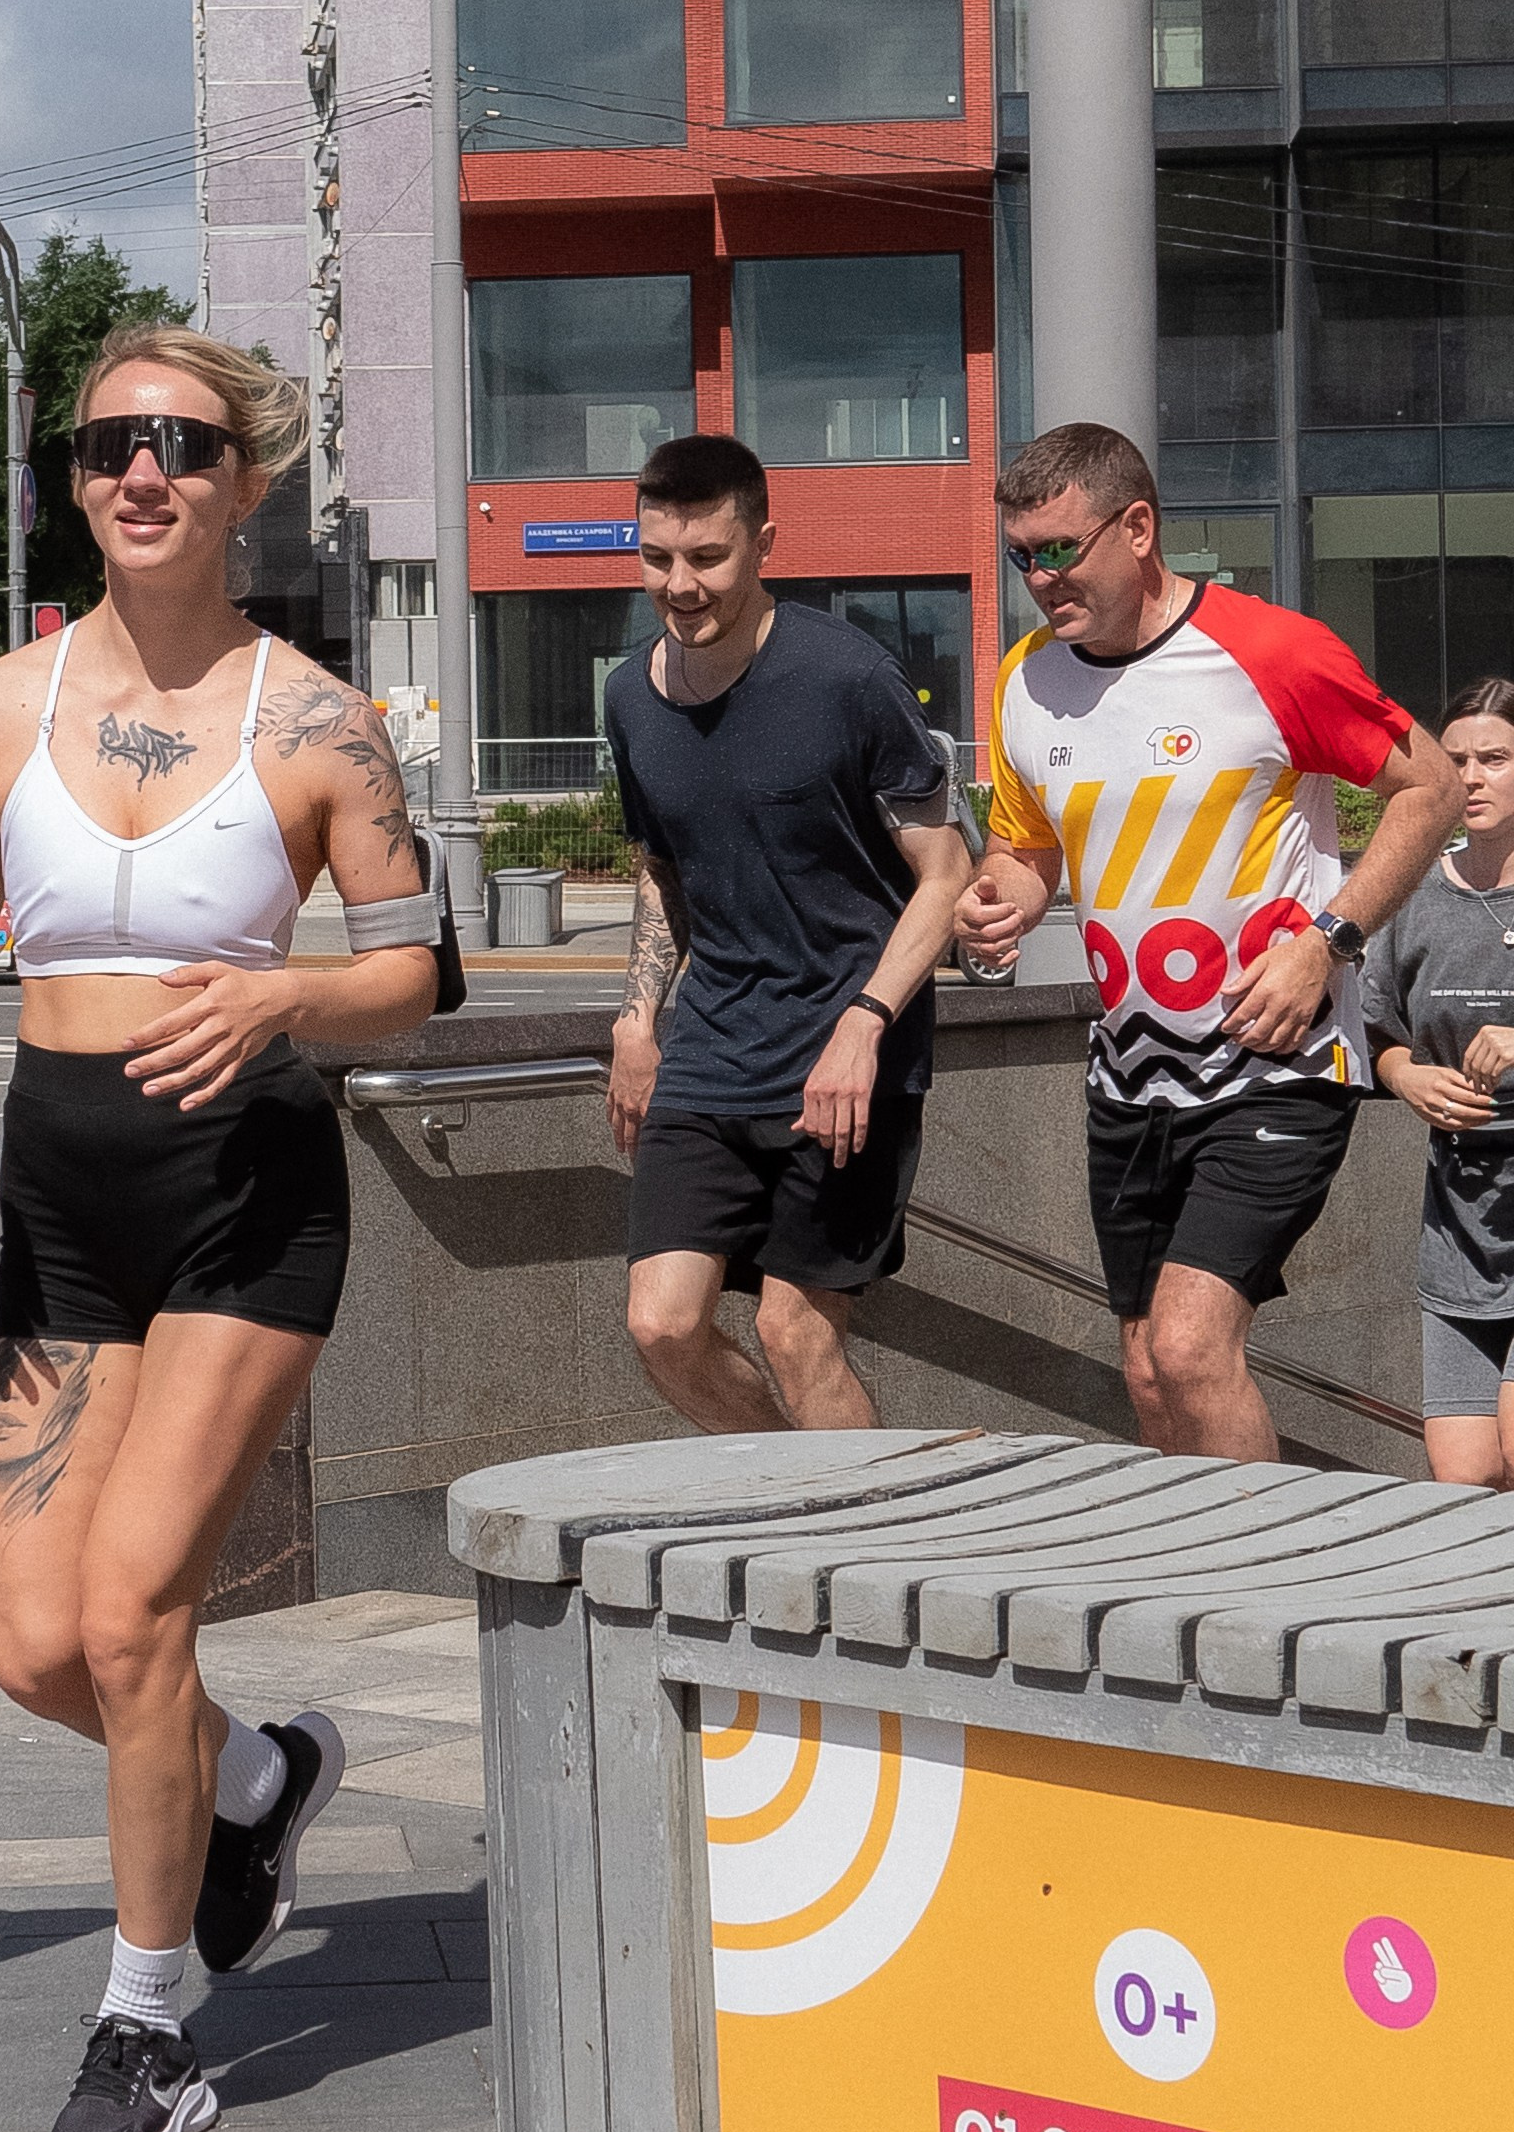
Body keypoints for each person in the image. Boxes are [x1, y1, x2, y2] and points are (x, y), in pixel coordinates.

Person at [0, 324, 438, 2132]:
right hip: (64, 1195)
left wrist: (291, 997)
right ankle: (257, 1779)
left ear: (244, 484)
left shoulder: (316, 721)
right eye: (113, 443)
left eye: (186, 447)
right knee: (36, 1645)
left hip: (245, 1189)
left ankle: (143, 2026)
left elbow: (415, 971)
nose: (146, 472)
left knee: (136, 1615)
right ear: (74, 477)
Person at [955, 421, 1457, 1462]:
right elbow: (1026, 850)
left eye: (1060, 549)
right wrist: (994, 896)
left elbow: (1434, 787)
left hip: (1279, 1059)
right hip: (1130, 1075)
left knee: (1190, 1346)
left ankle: (1273, 1611)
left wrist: (1327, 941)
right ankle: (1189, 1600)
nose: (1040, 578)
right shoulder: (1024, 679)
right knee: (1145, 1369)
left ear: (1137, 526)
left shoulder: (1271, 650)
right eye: (1021, 555)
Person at [604, 433, 970, 1435]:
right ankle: (795, 1502)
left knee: (796, 1330)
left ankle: (862, 1555)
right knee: (662, 1325)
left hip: (849, 1055)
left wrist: (863, 1025)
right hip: (712, 1048)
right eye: (657, 558)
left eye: (707, 557)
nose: (680, 584)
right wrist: (637, 1019)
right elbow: (662, 866)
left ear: (765, 542)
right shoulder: (629, 695)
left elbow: (944, 875)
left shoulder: (847, 677)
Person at [1368, 679, 1514, 1484]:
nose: (1472, 777)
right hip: (1459, 1215)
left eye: (1494, 758)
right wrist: (1403, 1076)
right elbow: (1371, 1025)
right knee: (1462, 1480)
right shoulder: (1413, 890)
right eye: (1456, 760)